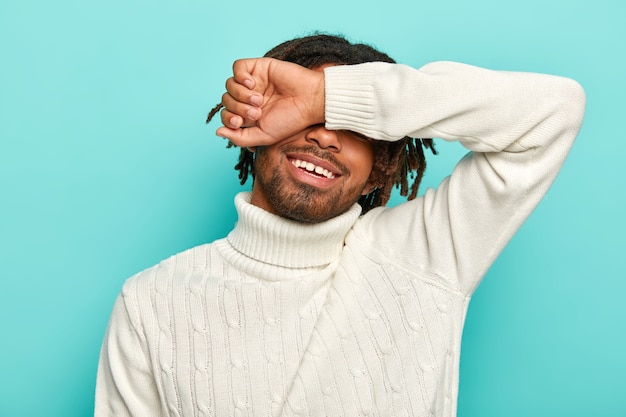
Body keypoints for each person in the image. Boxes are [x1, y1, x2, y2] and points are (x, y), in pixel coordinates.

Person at [95, 34, 585, 416]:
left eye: (353, 125)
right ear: (252, 128)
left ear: (380, 168)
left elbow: (555, 108)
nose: (326, 137)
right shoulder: (151, 300)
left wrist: (326, 94)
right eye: (305, 113)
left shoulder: (424, 255)